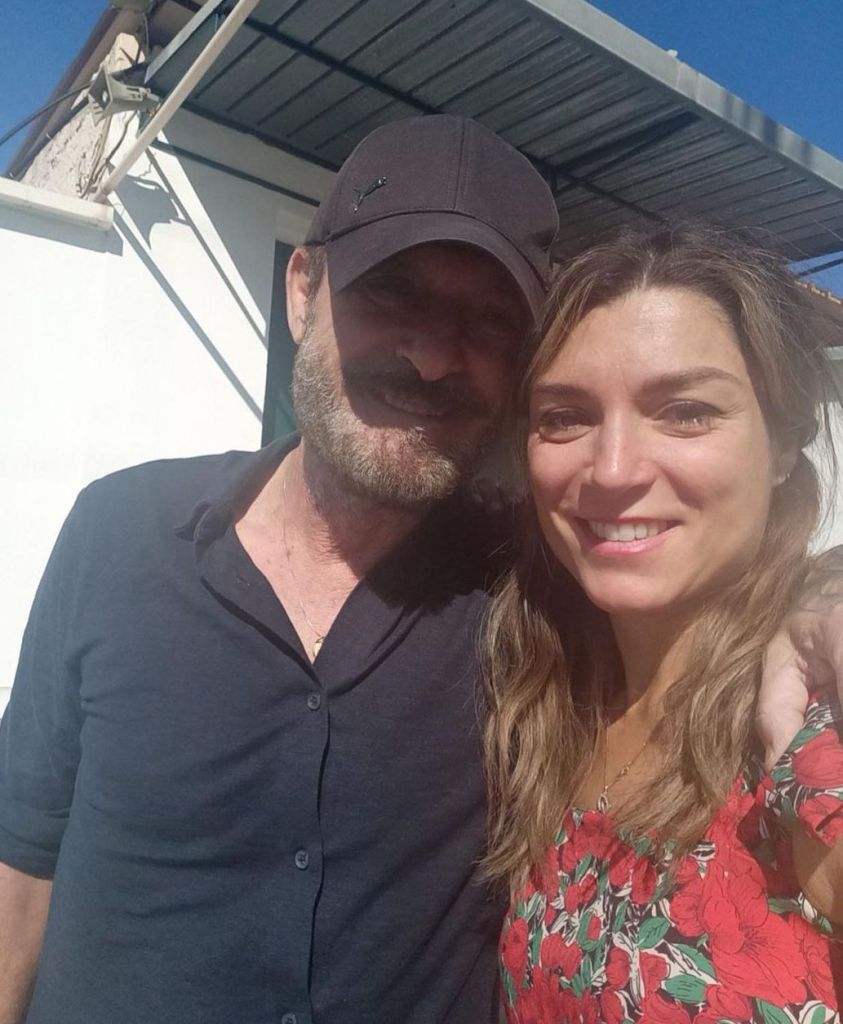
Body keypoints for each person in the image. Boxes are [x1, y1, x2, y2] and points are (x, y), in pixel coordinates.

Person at [0, 116, 840, 1024]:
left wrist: (818, 594)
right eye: (390, 290)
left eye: (488, 320)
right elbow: (20, 864)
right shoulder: (119, 532)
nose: (434, 355)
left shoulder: (531, 586)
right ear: (302, 289)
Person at [486, 222, 843, 1023]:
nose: (612, 470)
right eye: (564, 417)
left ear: (785, 442)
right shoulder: (542, 701)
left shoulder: (810, 719)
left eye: (684, 411)